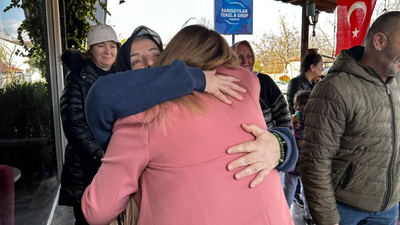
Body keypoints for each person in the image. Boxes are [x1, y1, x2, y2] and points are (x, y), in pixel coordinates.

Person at [81, 25, 297, 224]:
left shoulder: (146, 120)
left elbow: (97, 211)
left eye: (156, 57)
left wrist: (280, 144)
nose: (150, 66)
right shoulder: (243, 89)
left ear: (171, 61)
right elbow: (102, 96)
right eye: (137, 61)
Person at [299, 11, 400, 225]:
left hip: (389, 209)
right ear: (379, 41)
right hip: (343, 210)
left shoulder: (397, 84)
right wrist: (327, 219)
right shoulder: (334, 88)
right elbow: (315, 161)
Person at [59, 24, 121, 225]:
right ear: (90, 50)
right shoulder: (78, 77)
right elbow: (73, 123)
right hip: (87, 163)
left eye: (112, 45)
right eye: (101, 45)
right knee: (88, 218)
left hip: (115, 160)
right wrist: (101, 155)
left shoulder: (121, 75)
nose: (108, 51)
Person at [231, 40, 292, 130]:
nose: (245, 61)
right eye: (239, 57)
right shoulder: (225, 83)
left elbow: (283, 115)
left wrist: (284, 141)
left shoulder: (265, 81)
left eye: (249, 56)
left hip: (266, 141)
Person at [283, 90, 314, 224]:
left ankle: (284, 215)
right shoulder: (315, 122)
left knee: (289, 187)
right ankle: (309, 216)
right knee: (307, 190)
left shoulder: (291, 121)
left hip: (293, 162)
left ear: (296, 106)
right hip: (309, 163)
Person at [286, 51, 323, 115]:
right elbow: (298, 109)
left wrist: (319, 86)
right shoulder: (295, 83)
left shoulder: (313, 83)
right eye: (321, 66)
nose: (322, 69)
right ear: (312, 67)